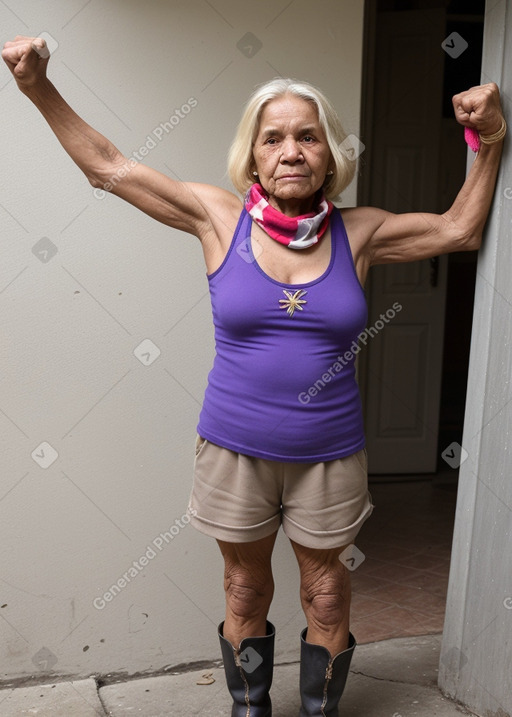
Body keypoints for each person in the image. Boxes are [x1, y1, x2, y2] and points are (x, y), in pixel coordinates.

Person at [2, 35, 505, 717]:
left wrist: (491, 142)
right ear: (253, 153)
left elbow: (458, 229)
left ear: (331, 152)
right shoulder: (217, 218)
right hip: (234, 448)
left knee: (326, 591)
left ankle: (319, 709)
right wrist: (36, 86)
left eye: (308, 136)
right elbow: (108, 166)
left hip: (329, 452)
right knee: (245, 589)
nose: (291, 150)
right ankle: (251, 708)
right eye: (273, 138)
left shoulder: (361, 233)